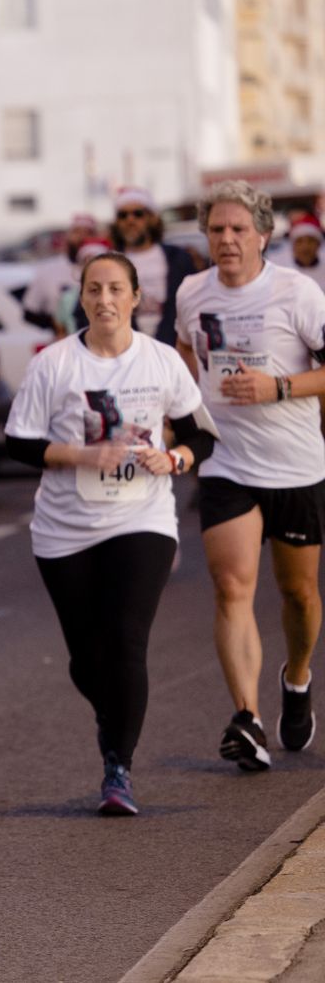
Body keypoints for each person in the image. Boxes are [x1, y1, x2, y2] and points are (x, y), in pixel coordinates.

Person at [6, 251, 216, 814]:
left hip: (141, 518)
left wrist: (173, 460)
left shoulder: (162, 361)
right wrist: (83, 455)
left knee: (127, 641)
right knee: (85, 658)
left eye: (115, 289)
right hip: (64, 530)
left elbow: (202, 437)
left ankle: (118, 767)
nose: (103, 300)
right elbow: (19, 443)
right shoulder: (53, 364)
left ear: (135, 297)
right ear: (81, 296)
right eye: (93, 290)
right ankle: (114, 712)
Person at [173, 180, 325, 771]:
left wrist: (278, 387)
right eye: (217, 229)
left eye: (239, 229)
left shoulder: (297, 292)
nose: (227, 240)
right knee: (232, 586)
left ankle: (298, 676)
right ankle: (248, 718)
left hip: (295, 463)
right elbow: (186, 353)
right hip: (227, 461)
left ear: (264, 234)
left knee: (299, 593)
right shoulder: (193, 291)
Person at [110, 187, 198, 344]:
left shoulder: (178, 259)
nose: (130, 220)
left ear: (152, 218)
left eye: (138, 214)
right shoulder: (107, 264)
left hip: (172, 349)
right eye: (123, 215)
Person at [24, 213, 98, 335]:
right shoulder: (48, 270)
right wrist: (59, 323)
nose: (82, 237)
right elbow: (30, 313)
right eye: (77, 232)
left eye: (88, 232)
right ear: (68, 236)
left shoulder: (110, 269)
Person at [279, 212, 323, 287]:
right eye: (300, 241)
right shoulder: (281, 275)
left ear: (318, 244)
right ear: (293, 246)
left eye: (310, 241)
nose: (305, 247)